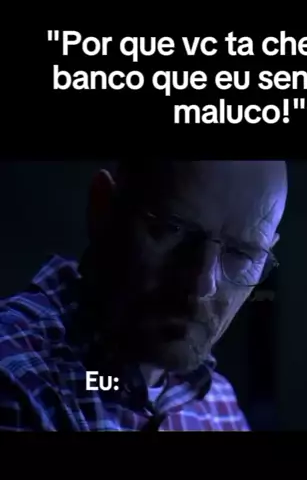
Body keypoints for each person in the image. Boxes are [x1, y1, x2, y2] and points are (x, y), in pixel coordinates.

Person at [0, 159, 287, 431]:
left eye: (242, 254)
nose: (203, 285)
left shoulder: (219, 404)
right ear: (102, 208)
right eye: (171, 229)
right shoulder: (17, 376)